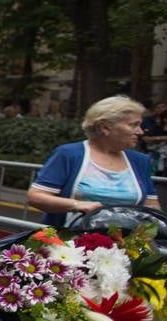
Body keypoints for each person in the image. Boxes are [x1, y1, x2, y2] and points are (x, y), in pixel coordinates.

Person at [26, 95, 159, 226]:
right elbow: (36, 197)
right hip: (70, 243)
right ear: (104, 127)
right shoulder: (69, 154)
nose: (140, 132)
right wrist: (78, 205)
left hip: (127, 244)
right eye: (134, 125)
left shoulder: (140, 160)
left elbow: (152, 207)